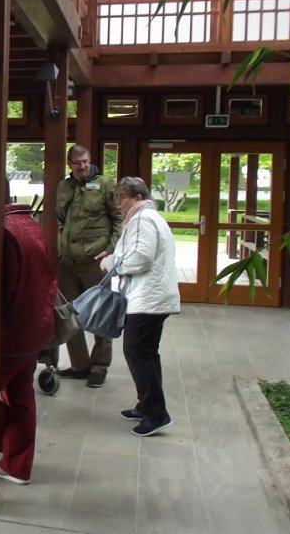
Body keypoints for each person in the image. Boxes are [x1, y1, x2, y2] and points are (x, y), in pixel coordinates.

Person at [102, 177, 180, 437]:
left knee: (136, 352)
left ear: (137, 197)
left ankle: (157, 413)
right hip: (152, 296)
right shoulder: (148, 217)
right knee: (146, 353)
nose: (118, 204)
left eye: (122, 198)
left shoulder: (143, 219)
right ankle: (147, 405)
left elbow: (141, 258)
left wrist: (112, 262)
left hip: (148, 299)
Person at [0, 203, 57, 485]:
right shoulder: (31, 224)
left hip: (8, 333)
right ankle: (17, 465)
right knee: (21, 399)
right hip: (34, 329)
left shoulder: (3, 230)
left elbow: (0, 290)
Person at [56, 144, 123, 388]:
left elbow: (118, 219)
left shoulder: (105, 184)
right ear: (70, 164)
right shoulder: (63, 187)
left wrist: (112, 249)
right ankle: (79, 364)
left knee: (101, 312)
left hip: (96, 262)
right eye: (77, 163)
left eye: (85, 161)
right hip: (67, 263)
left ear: (90, 159)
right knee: (67, 315)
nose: (82, 166)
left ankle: (99, 365)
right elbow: (60, 221)